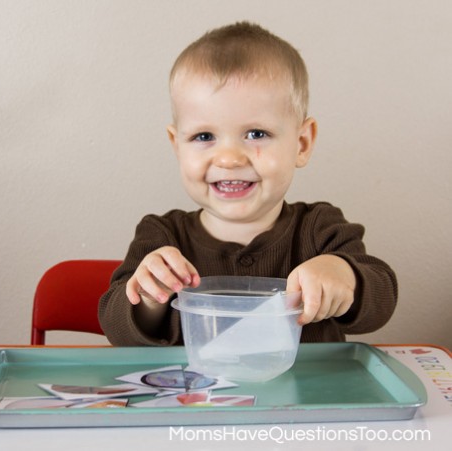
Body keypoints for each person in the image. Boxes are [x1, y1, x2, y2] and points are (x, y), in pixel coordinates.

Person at [98, 22, 397, 346]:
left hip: (308, 395)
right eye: (204, 136)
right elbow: (116, 328)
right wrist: (150, 298)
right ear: (176, 145)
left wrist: (344, 274)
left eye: (256, 134)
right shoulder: (161, 236)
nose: (229, 158)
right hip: (198, 397)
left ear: (301, 143)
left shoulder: (320, 229)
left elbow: (381, 297)